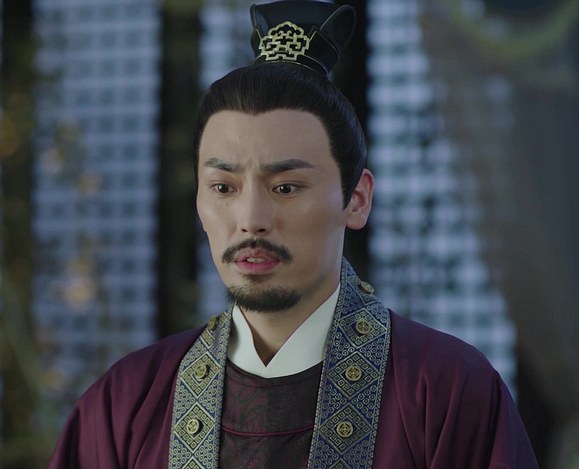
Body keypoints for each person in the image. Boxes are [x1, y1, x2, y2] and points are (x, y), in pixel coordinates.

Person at [48, 1, 539, 467]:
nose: (251, 218)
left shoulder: (444, 391)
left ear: (357, 199)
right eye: (223, 187)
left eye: (285, 187)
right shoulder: (126, 402)